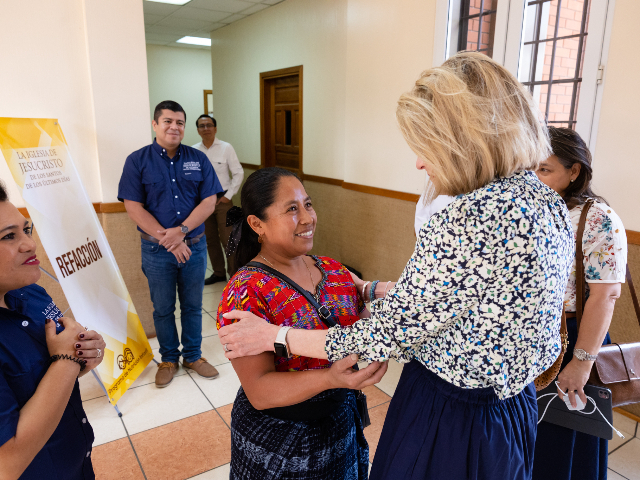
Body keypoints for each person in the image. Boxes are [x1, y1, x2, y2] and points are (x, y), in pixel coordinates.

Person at [218, 52, 575, 480]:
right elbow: (463, 301)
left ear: (462, 141)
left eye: (424, 148)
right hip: (510, 408)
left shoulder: (468, 219)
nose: (420, 164)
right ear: (256, 223)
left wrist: (278, 336)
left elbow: (387, 333)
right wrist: (375, 293)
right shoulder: (546, 201)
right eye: (291, 209)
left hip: (456, 418)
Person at [216, 167, 387, 480]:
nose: (308, 218)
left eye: (308, 204)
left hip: (338, 425)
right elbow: (259, 390)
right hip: (281, 443)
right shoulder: (245, 291)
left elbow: (358, 323)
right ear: (257, 224)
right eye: (291, 209)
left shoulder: (333, 270)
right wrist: (330, 378)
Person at [533, 126, 627, 480]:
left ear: (574, 171)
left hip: (574, 333)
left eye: (544, 169)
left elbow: (606, 294)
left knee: (563, 437)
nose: (535, 178)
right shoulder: (532, 209)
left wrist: (581, 363)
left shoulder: (597, 217)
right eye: (529, 169)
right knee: (532, 433)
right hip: (534, 332)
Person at [0, 181, 106, 479]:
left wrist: (83, 353)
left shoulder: (30, 293)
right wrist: (66, 362)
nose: (29, 244)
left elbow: (50, 370)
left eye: (26, 230)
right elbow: (7, 463)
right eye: (9, 236)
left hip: (77, 463)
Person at [118, 100, 223, 388]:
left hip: (195, 246)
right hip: (156, 250)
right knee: (162, 308)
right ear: (155, 124)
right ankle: (168, 359)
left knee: (192, 306)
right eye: (167, 121)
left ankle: (193, 356)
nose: (174, 127)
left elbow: (209, 200)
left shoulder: (198, 159)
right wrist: (171, 239)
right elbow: (133, 207)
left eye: (179, 122)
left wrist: (182, 230)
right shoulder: (137, 161)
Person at [193, 114, 244, 285]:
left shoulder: (226, 148)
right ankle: (219, 273)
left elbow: (238, 172)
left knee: (228, 239)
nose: (206, 128)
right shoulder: (193, 151)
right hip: (202, 202)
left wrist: (228, 196)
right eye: (202, 126)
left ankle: (234, 275)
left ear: (215, 128)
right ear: (198, 130)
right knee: (210, 240)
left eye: (209, 125)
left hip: (223, 201)